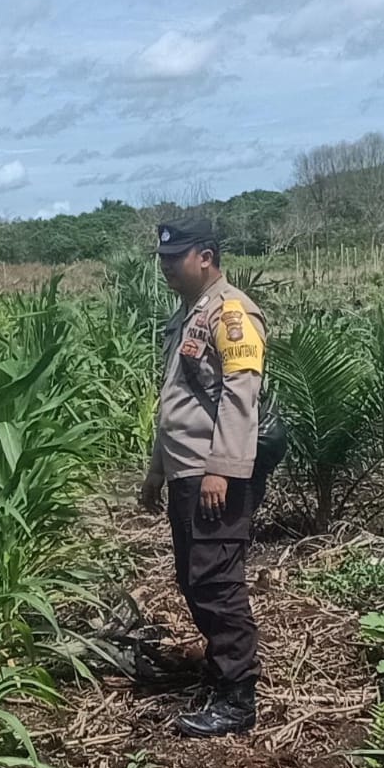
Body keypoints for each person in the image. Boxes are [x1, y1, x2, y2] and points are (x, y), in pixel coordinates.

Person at [139, 215, 268, 738]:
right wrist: (155, 472)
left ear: (207, 257)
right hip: (186, 471)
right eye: (164, 259)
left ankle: (237, 698)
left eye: (177, 257)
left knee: (217, 585)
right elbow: (178, 403)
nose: (167, 266)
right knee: (195, 581)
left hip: (214, 474)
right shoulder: (189, 314)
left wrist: (222, 469)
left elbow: (241, 392)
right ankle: (221, 677)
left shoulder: (231, 312)